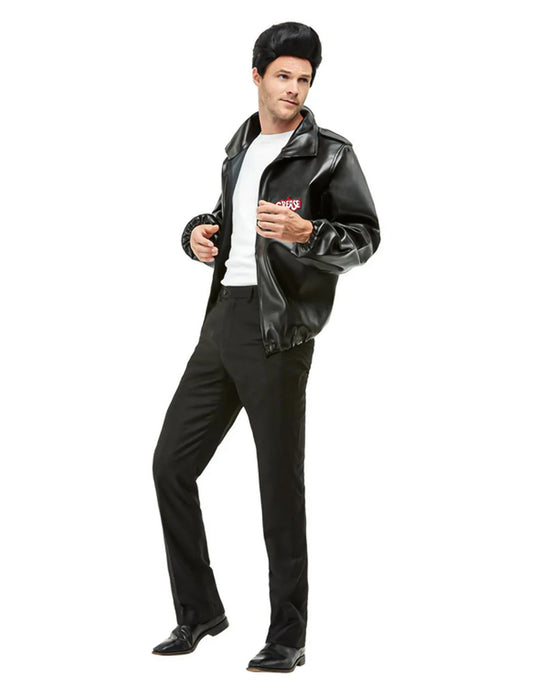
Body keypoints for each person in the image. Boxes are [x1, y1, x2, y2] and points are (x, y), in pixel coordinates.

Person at [152, 21, 381, 673]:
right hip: (221, 320)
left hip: (278, 331)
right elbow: (225, 221)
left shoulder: (330, 154)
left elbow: (364, 238)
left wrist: (308, 233)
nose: (293, 89)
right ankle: (200, 611)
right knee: (170, 466)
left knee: (278, 484)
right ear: (257, 77)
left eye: (304, 78)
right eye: (283, 75)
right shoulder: (240, 145)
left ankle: (287, 636)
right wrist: (197, 233)